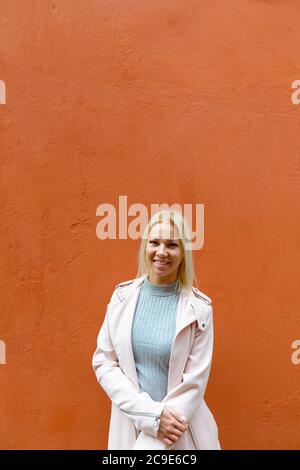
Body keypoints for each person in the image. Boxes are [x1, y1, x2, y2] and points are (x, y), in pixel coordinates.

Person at [92, 209, 221, 450]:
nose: (161, 252)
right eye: (154, 243)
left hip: (180, 433)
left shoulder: (200, 309)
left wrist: (154, 439)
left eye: (172, 245)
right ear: (145, 247)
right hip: (129, 429)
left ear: (183, 253)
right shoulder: (121, 298)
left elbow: (194, 383)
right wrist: (151, 417)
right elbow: (104, 363)